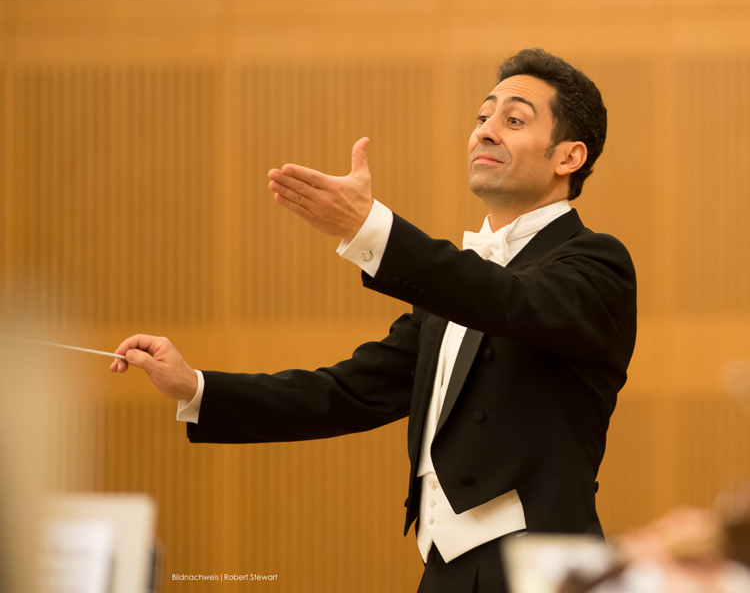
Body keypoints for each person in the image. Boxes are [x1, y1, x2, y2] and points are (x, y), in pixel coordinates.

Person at [110, 48, 637, 593]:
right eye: (482, 117)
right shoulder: (457, 287)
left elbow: (507, 301)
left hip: (544, 570)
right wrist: (195, 386)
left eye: (514, 119)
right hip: (443, 570)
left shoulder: (596, 264)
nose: (485, 132)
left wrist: (371, 230)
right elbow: (349, 391)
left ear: (568, 157)